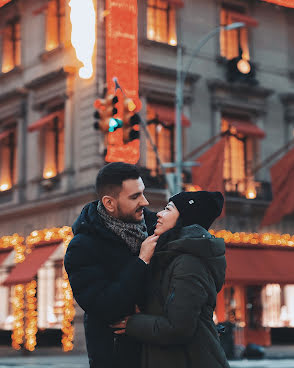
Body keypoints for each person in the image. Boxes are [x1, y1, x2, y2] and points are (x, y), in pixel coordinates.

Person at [113, 191, 229, 368]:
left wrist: (132, 323)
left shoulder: (189, 262)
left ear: (185, 218)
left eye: (168, 209)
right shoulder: (173, 255)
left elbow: (179, 328)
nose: (159, 213)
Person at [64, 162, 158, 368]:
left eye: (143, 193)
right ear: (109, 203)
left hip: (162, 353)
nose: (145, 201)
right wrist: (141, 261)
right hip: (117, 357)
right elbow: (104, 306)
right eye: (135, 197)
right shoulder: (82, 247)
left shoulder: (157, 229)